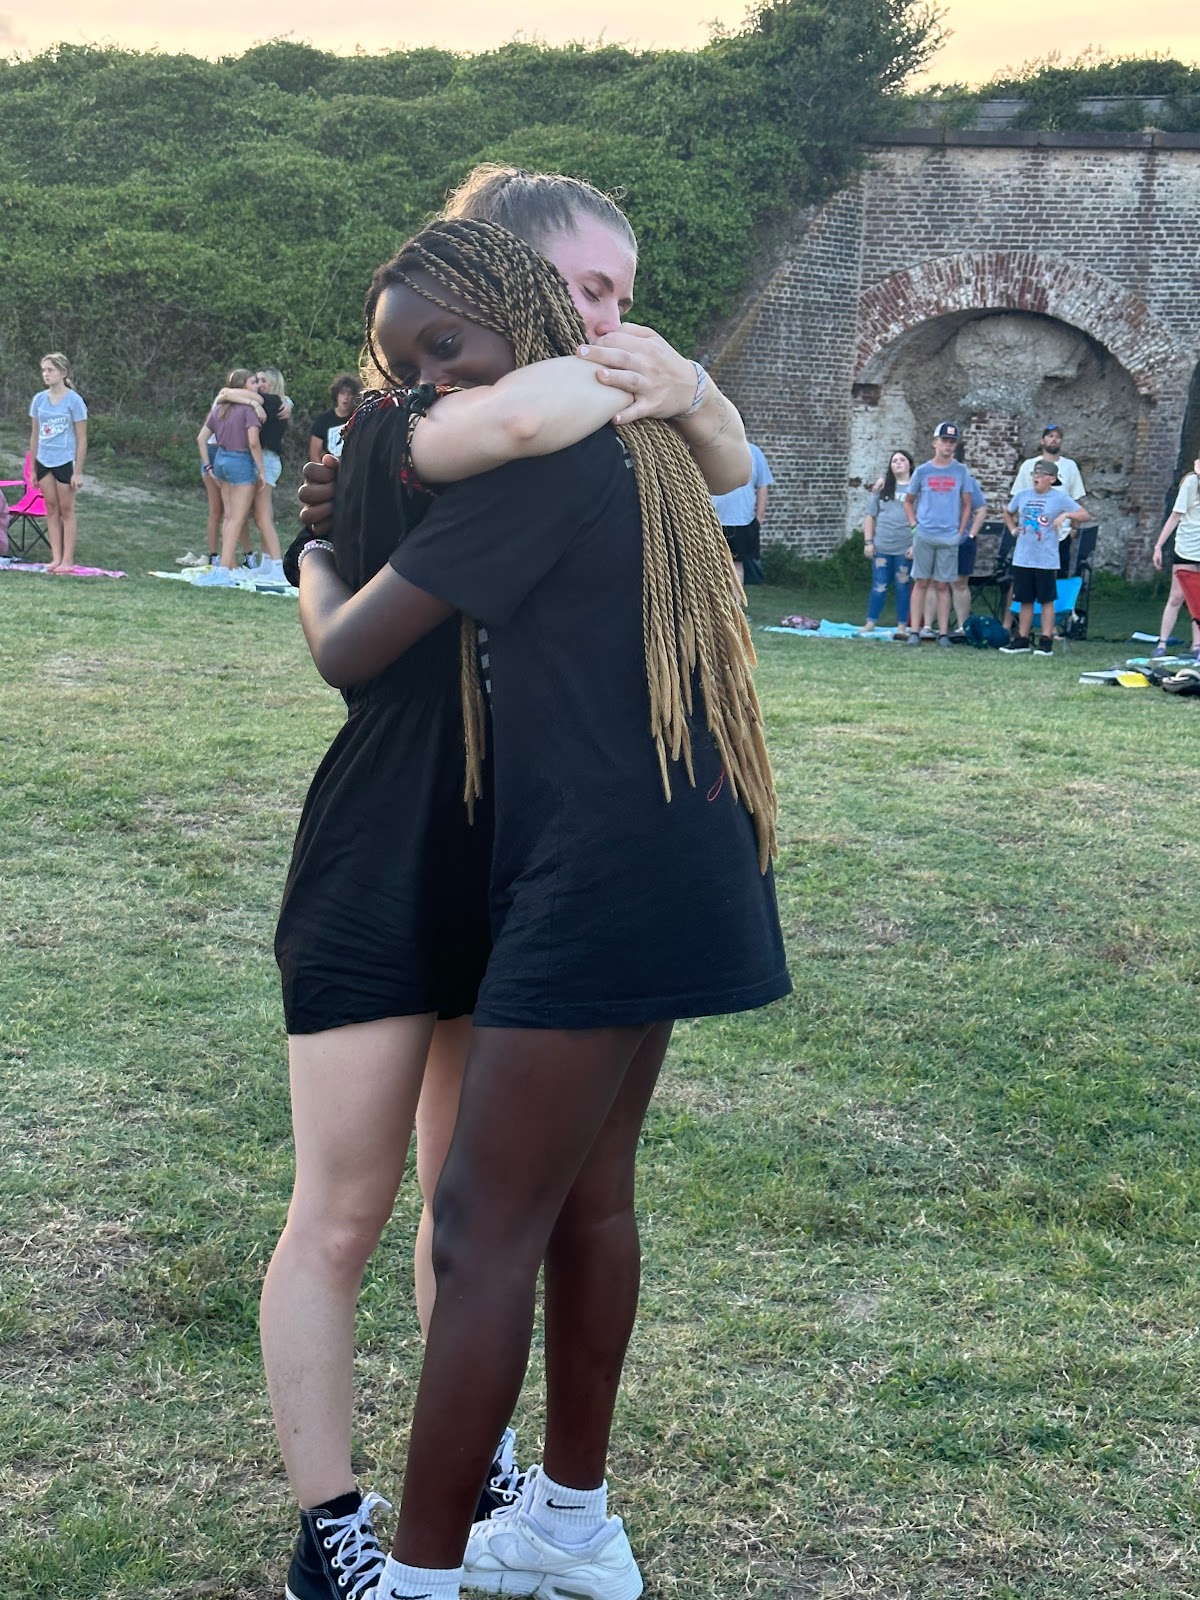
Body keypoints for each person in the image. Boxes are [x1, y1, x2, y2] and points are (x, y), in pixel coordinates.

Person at [265, 169, 758, 1600]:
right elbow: (357, 634)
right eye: (586, 291)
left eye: (622, 293)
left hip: (548, 861)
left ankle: (484, 1521)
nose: (612, 321)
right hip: (417, 849)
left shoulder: (598, 438)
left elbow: (719, 468)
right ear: (506, 280)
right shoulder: (445, 430)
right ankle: (376, 1526)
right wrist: (323, 530)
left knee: (483, 1212)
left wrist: (693, 395)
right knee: (392, 1210)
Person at [999, 458, 1088, 656]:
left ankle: (1046, 640)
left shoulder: (1059, 498)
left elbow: (1084, 514)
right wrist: (1013, 529)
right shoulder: (1023, 495)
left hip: (1045, 559)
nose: (1036, 478)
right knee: (1025, 599)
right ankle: (1022, 638)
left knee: (1046, 599)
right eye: (1034, 474)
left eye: (1041, 474)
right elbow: (1008, 513)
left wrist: (1066, 516)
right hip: (1023, 557)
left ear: (1051, 479)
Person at [194, 368, 267, 587]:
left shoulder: (220, 408)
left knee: (228, 517)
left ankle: (224, 565)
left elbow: (201, 438)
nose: (256, 386)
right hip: (240, 461)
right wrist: (261, 469)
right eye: (252, 382)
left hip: (221, 460)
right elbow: (253, 442)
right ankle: (225, 569)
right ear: (243, 385)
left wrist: (208, 465)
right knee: (238, 517)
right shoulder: (248, 410)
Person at [903, 422, 972, 648]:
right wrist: (914, 526)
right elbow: (908, 501)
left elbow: (967, 504)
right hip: (925, 533)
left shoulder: (961, 471)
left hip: (948, 535)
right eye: (944, 441)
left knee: (943, 585)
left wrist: (960, 531)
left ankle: (943, 633)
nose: (948, 445)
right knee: (921, 582)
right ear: (935, 443)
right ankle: (915, 630)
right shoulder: (923, 471)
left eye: (952, 442)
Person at [918, 444, 986, 640]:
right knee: (933, 581)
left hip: (961, 539)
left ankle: (963, 628)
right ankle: (928, 626)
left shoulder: (967, 480)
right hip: (933, 536)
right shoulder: (929, 477)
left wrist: (971, 535)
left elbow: (981, 509)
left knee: (959, 583)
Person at [29, 352, 88, 573]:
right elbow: (34, 436)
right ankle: (55, 558)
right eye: (44, 370)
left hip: (64, 461)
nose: (46, 374)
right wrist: (33, 468)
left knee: (66, 510)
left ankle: (67, 560)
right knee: (51, 509)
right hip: (44, 461)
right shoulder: (39, 400)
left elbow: (82, 439)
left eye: (50, 370)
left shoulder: (74, 401)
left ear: (63, 373)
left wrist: (78, 471)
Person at [1011, 423, 1088, 578]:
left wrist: (1074, 528)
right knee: (1029, 577)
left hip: (1060, 533)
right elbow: (1018, 498)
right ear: (1042, 440)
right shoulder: (1029, 465)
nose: (1054, 440)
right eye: (1050, 436)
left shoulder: (1070, 466)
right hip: (1032, 534)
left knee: (1058, 577)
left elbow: (1076, 499)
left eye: (1058, 437)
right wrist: (1017, 526)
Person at [1150, 456, 1200, 659]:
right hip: (1188, 547)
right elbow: (1176, 515)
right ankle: (1162, 642)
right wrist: (1159, 546)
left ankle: (1197, 645)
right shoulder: (1191, 482)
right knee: (1177, 596)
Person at [861, 449, 913, 636]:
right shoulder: (882, 488)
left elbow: (923, 519)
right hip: (882, 547)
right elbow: (870, 515)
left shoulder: (917, 489)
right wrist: (868, 542)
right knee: (879, 586)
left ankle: (902, 626)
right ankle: (870, 622)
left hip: (905, 548)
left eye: (902, 460)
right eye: (894, 461)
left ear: (910, 464)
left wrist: (916, 545)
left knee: (902, 585)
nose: (898, 463)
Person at [711, 440, 773, 586]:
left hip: (741, 520)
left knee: (737, 564)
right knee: (711, 563)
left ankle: (736, 599)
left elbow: (763, 485)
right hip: (712, 519)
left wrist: (759, 518)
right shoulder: (710, 448)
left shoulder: (754, 452)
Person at [309, 374, 360, 463]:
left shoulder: (359, 419)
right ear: (336, 395)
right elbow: (314, 454)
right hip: (327, 465)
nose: (346, 398)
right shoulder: (323, 420)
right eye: (342, 393)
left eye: (349, 394)